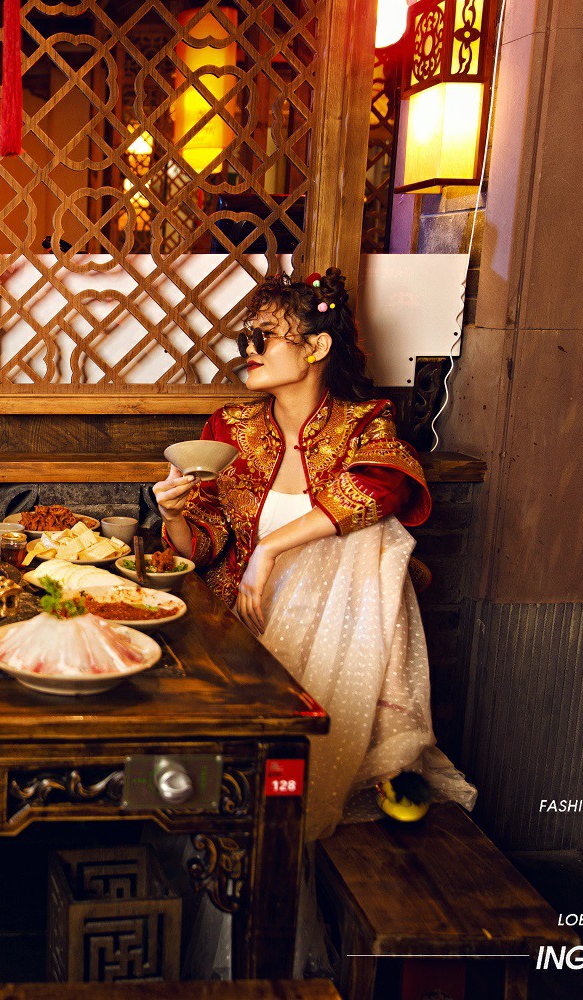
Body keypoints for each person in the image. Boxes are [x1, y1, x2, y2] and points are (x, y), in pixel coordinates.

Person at [153, 268, 474, 841]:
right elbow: (201, 546)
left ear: (317, 346)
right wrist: (174, 515)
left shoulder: (364, 424)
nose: (248, 350)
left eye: (264, 337)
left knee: (373, 534)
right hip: (242, 628)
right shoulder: (229, 429)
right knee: (179, 785)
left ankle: (361, 756)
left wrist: (269, 548)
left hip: (342, 636)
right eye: (246, 337)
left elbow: (385, 489)